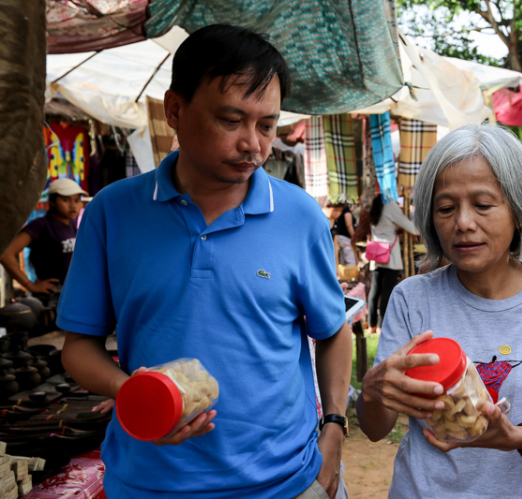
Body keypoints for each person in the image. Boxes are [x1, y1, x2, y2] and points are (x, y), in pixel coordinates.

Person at [57, 25, 352, 499]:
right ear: (175, 109)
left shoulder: (299, 216)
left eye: (267, 125)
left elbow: (333, 329)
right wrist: (129, 391)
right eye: (231, 120)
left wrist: (334, 426)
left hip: (287, 484)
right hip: (148, 483)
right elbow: (78, 344)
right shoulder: (112, 212)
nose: (253, 145)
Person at [356, 125, 522, 498]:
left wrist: (514, 437)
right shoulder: (412, 298)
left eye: (483, 205)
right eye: (446, 208)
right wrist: (372, 391)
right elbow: (377, 428)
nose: (463, 222)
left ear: (520, 212)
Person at [0, 178, 86, 305]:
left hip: (70, 294)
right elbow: (6, 254)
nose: (73, 205)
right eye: (65, 200)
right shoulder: (40, 226)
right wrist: (30, 285)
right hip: (51, 298)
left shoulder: (71, 225)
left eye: (77, 200)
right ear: (52, 202)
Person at [366, 194, 418, 335]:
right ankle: (382, 327)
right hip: (390, 257)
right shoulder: (390, 208)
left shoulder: (375, 208)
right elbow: (412, 229)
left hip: (376, 256)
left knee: (374, 292)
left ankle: (371, 326)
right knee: (387, 293)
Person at [331, 202, 357, 267]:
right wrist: (354, 238)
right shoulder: (346, 210)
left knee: (343, 262)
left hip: (339, 237)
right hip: (344, 238)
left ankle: (343, 276)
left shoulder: (344, 210)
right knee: (350, 262)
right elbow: (349, 225)